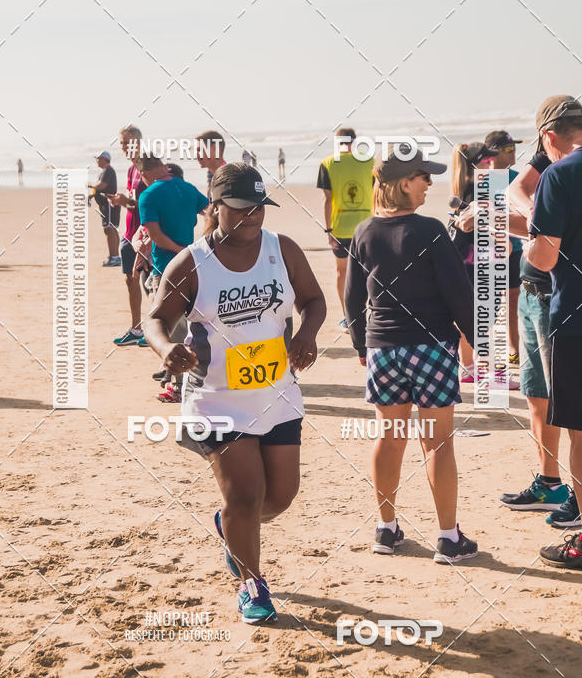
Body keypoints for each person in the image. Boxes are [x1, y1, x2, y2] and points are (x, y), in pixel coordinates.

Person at [143, 163, 326, 622]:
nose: (252, 218)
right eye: (241, 210)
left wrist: (307, 334)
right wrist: (166, 348)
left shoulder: (281, 250)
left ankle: (230, 527)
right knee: (246, 495)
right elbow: (155, 318)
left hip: (277, 393)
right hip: (217, 398)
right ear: (216, 207)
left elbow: (314, 300)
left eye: (259, 209)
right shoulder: (193, 262)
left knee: (279, 497)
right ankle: (252, 585)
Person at [345, 146, 478, 564]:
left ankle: (386, 530)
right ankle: (447, 538)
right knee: (438, 444)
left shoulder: (364, 232)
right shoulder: (430, 231)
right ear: (404, 183)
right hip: (432, 348)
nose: (430, 183)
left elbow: (351, 299)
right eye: (423, 176)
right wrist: (475, 342)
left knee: (390, 437)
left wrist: (360, 345)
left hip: (383, 349)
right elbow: (458, 293)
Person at [499, 136, 574, 522]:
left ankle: (575, 496)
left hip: (553, 297)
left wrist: (528, 221)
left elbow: (548, 246)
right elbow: (518, 190)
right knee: (536, 395)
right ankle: (549, 482)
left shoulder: (567, 173)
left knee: (570, 406)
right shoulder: (550, 163)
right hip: (529, 293)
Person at [523, 96, 582, 570]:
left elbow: (543, 259)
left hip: (576, 319)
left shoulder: (558, 176)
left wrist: (526, 244)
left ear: (549, 138)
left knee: (581, 432)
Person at [137, 155, 209, 403]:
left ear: (144, 173)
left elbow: (154, 235)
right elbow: (211, 211)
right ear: (164, 168)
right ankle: (184, 378)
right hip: (195, 267)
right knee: (192, 322)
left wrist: (181, 252)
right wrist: (201, 244)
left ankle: (178, 386)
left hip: (167, 269)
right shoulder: (187, 187)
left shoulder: (148, 195)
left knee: (168, 325)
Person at [447, 142, 498, 380]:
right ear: (475, 165)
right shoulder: (477, 190)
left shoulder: (464, 189)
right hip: (477, 261)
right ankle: (484, 370)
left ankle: (469, 367)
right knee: (482, 317)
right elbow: (471, 227)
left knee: (472, 316)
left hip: (466, 260)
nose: (492, 165)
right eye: (487, 161)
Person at [317, 127, 373, 332]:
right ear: (355, 141)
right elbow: (377, 192)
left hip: (340, 228)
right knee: (369, 272)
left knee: (342, 272)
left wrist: (328, 230)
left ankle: (348, 318)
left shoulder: (327, 163)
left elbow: (327, 200)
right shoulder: (369, 161)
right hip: (367, 226)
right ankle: (371, 314)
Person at [485, 130, 524, 363]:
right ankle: (482, 354)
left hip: (516, 250)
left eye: (514, 147)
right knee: (487, 304)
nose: (514, 152)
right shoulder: (480, 180)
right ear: (493, 153)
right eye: (508, 149)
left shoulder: (519, 179)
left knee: (513, 300)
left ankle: (514, 351)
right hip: (488, 251)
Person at [106, 126, 147, 347]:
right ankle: (136, 329)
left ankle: (159, 331)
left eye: (127, 142)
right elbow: (134, 202)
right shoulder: (132, 169)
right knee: (130, 281)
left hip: (146, 234)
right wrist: (121, 201)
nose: (124, 147)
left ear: (139, 142)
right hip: (129, 232)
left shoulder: (148, 167)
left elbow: (153, 202)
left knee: (151, 284)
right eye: (121, 143)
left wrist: (126, 202)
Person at [89, 152, 121, 266]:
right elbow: (99, 189)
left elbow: (102, 186)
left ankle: (114, 257)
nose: (96, 160)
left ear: (104, 159)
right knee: (111, 228)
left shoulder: (108, 170)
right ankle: (115, 257)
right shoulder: (105, 171)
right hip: (106, 205)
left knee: (109, 229)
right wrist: (91, 196)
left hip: (108, 204)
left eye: (98, 158)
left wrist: (90, 185)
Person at [195, 130, 226, 200]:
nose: (196, 155)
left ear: (215, 149)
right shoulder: (211, 172)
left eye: (200, 150)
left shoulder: (227, 178)